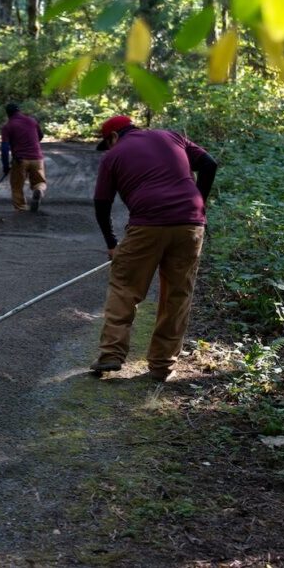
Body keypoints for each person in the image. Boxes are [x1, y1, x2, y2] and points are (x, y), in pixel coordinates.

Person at [89, 115, 218, 381]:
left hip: (147, 224)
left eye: (108, 143)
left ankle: (111, 354)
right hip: (190, 224)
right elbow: (209, 164)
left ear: (113, 137)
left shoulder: (113, 156)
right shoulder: (173, 136)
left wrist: (112, 244)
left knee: (125, 287)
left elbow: (101, 203)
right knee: (178, 294)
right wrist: (199, 203)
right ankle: (162, 364)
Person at [0, 102, 47, 212]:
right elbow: (40, 136)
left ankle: (21, 209)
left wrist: (5, 166)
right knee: (40, 182)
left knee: (17, 186)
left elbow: (4, 148)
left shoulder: (8, 126)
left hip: (20, 160)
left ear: (8, 114)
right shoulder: (32, 121)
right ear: (19, 110)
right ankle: (39, 190)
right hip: (37, 158)